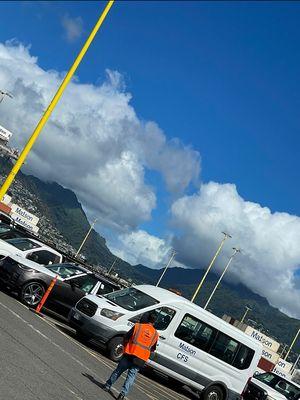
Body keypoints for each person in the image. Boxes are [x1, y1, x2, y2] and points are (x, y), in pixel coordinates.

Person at [102, 311, 158, 399]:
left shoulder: (138, 326)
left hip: (130, 353)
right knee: (131, 376)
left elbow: (126, 337)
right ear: (154, 321)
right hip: (140, 359)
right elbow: (152, 349)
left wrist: (124, 346)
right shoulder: (155, 334)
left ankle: (107, 386)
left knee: (118, 371)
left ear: (147, 319)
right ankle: (122, 394)